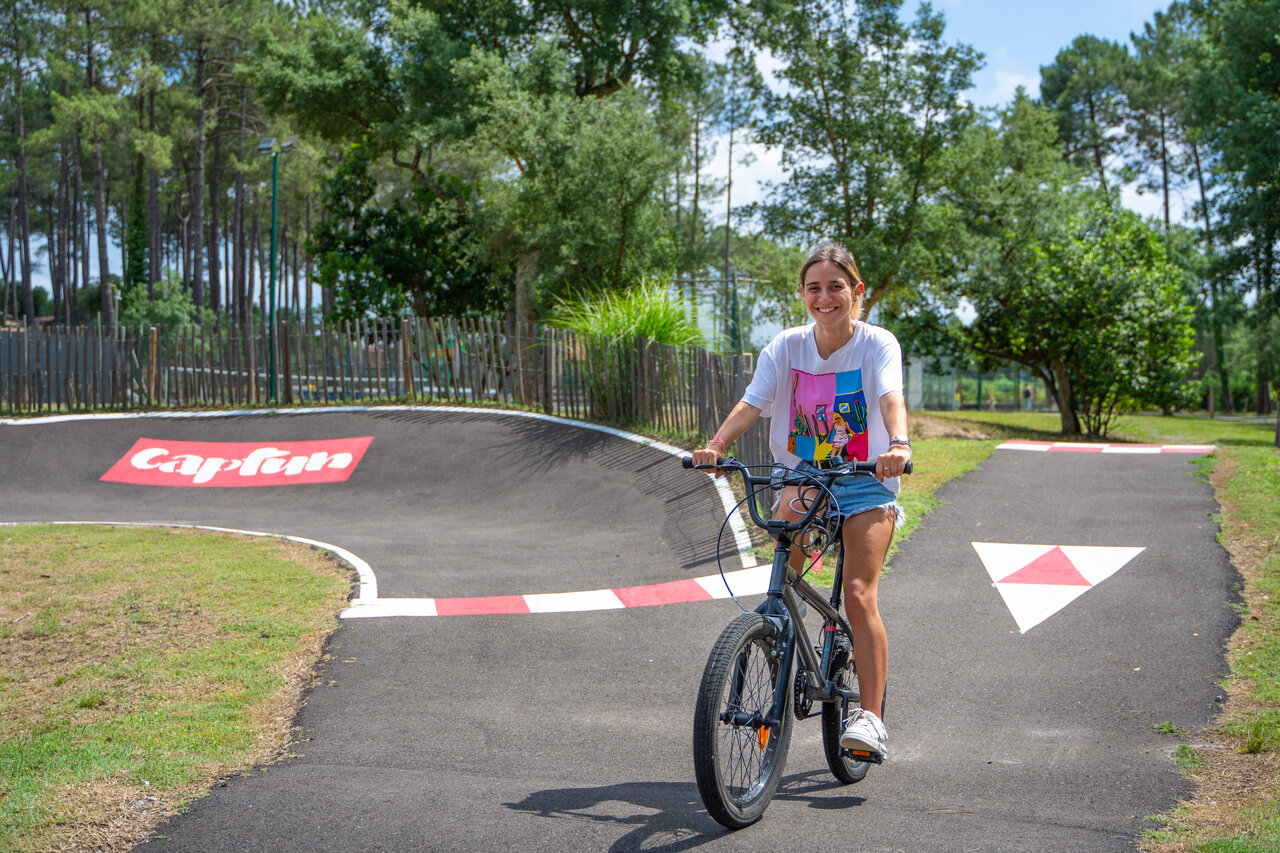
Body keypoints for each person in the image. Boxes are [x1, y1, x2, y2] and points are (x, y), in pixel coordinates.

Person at [691, 240, 910, 760]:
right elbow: (753, 401)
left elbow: (888, 396)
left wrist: (898, 444)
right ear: (803, 293)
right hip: (804, 473)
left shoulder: (877, 343)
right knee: (781, 573)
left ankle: (871, 718)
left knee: (857, 594)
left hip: (864, 479)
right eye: (814, 287)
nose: (825, 297)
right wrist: (717, 445)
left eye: (836, 287)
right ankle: (776, 639)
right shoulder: (786, 346)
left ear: (855, 292)